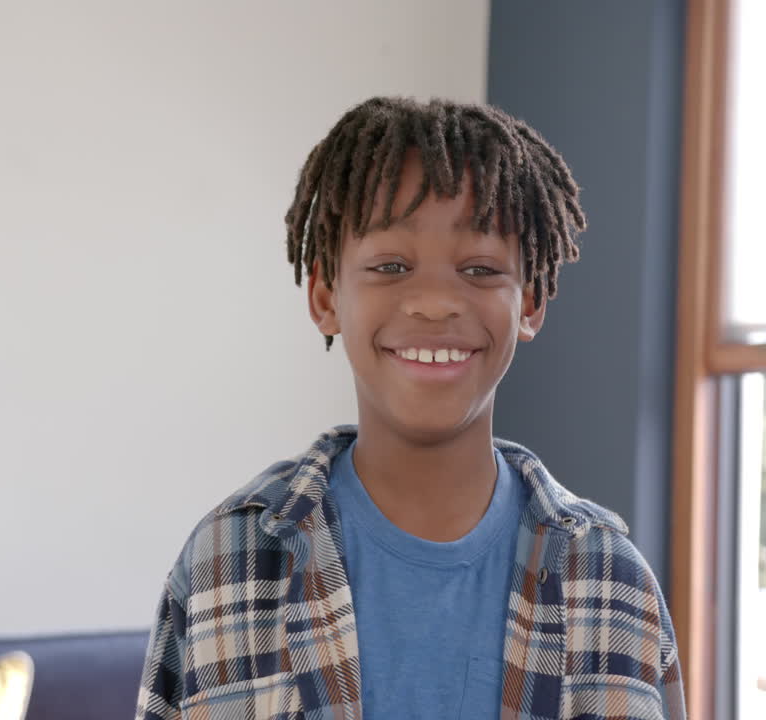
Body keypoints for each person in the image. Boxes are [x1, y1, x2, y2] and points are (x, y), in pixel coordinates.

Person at [136, 96, 685, 720]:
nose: (433, 302)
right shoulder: (224, 560)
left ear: (529, 303)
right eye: (391, 266)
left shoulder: (612, 581)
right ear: (325, 296)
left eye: (480, 269)